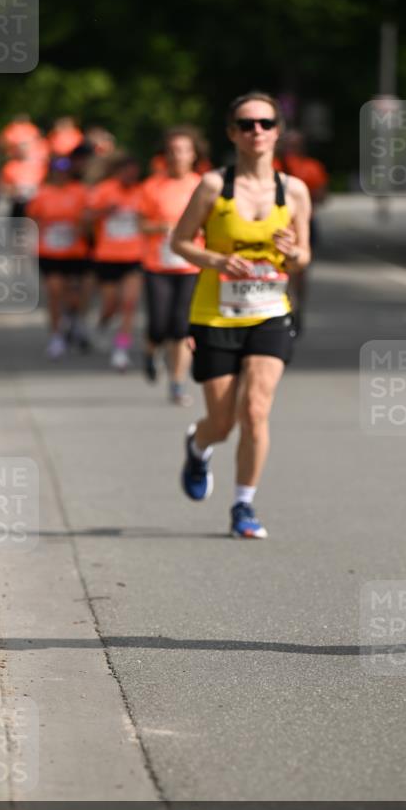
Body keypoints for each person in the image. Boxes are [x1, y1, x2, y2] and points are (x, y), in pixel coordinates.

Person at [171, 91, 311, 538]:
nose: (257, 131)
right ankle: (198, 445)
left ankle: (243, 506)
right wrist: (214, 260)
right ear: (232, 133)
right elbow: (179, 241)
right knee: (223, 421)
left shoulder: (294, 190)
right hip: (216, 316)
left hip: (270, 313)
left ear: (277, 131)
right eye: (247, 124)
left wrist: (294, 253)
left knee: (255, 411)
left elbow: (303, 257)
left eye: (266, 123)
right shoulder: (214, 186)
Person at [139, 127, 202, 405]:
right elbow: (140, 224)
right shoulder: (152, 186)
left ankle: (177, 383)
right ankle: (151, 351)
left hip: (191, 266)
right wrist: (162, 227)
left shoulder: (203, 185)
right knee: (158, 325)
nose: (177, 155)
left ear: (193, 154)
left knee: (181, 327)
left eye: (183, 150)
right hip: (159, 264)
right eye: (173, 150)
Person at [26, 157, 90, 358]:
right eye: (57, 171)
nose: (60, 175)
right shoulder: (42, 194)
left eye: (64, 171)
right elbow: (32, 220)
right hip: (49, 251)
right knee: (54, 291)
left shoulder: (80, 192)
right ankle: (56, 336)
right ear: (51, 172)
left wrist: (81, 228)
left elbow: (88, 219)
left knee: (73, 296)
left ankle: (74, 321)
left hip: (75, 252)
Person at [86, 155, 144, 369]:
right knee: (111, 304)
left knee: (129, 303)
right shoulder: (104, 190)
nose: (130, 175)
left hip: (134, 257)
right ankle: (102, 325)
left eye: (134, 171)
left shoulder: (142, 191)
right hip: (108, 256)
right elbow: (85, 217)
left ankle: (121, 348)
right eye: (126, 171)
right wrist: (104, 212)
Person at [275, 129, 329, 335]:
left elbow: (322, 195)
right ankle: (282, 310)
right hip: (279, 225)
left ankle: (298, 310)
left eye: (295, 144)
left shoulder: (312, 167)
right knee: (281, 270)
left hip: (305, 222)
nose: (291, 148)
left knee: (301, 271)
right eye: (288, 144)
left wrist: (306, 202)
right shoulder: (274, 165)